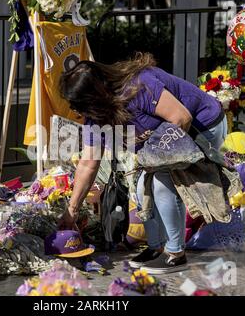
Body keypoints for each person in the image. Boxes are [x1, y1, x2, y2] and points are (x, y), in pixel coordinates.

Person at [58, 52, 227, 274]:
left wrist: (160, 161)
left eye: (77, 103)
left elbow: (181, 118)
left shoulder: (139, 86)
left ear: (95, 95)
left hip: (202, 127)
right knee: (140, 188)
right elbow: (88, 163)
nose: (74, 110)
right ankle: (156, 247)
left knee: (161, 183)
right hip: (166, 141)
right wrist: (72, 210)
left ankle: (175, 253)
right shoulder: (96, 117)